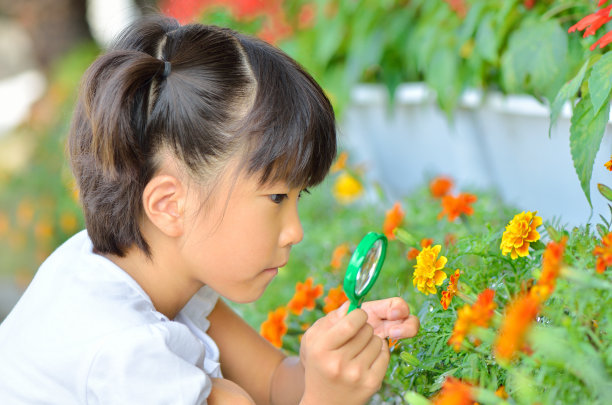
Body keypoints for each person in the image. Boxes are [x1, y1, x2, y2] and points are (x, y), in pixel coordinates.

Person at [0, 14, 420, 405]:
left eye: (297, 198)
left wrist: (321, 364)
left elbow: (274, 382)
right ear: (170, 205)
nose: (295, 231)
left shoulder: (139, 268)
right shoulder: (127, 356)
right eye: (276, 198)